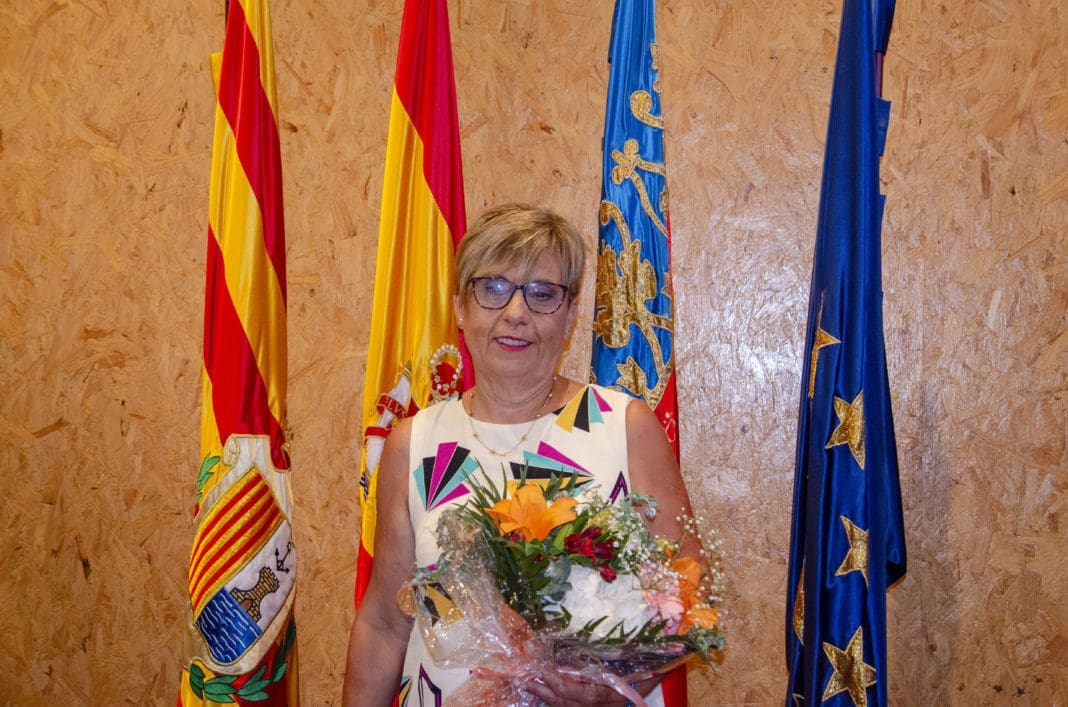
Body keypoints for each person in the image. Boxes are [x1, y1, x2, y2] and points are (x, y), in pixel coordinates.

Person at [343, 203, 698, 706]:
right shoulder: (414, 443)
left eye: (542, 293)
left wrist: (613, 692)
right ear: (460, 308)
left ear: (570, 315)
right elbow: (383, 622)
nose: (515, 313)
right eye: (493, 288)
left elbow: (690, 596)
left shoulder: (623, 427)